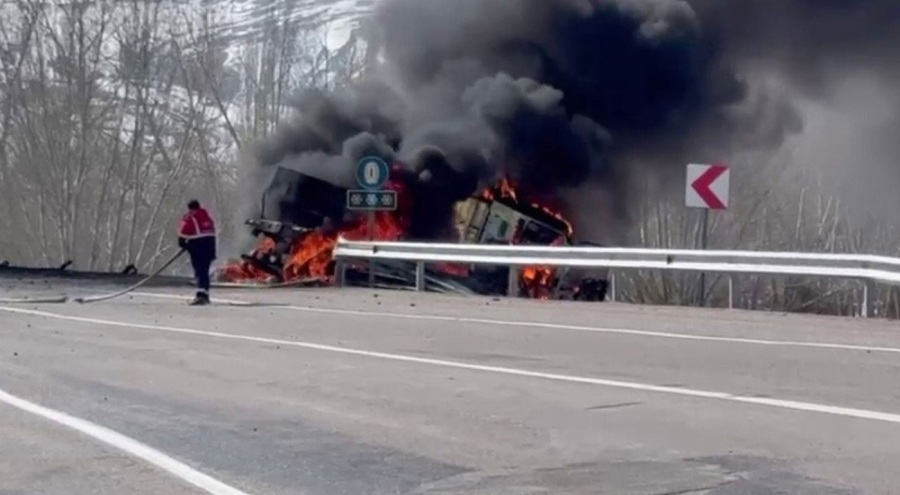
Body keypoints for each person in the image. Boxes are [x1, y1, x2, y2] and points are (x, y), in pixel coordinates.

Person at [178, 199, 217, 306]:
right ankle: (205, 294)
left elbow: (185, 229)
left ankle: (201, 296)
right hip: (210, 245)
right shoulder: (207, 218)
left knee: (200, 271)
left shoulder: (191, 216)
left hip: (198, 246)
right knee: (205, 271)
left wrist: (182, 242)